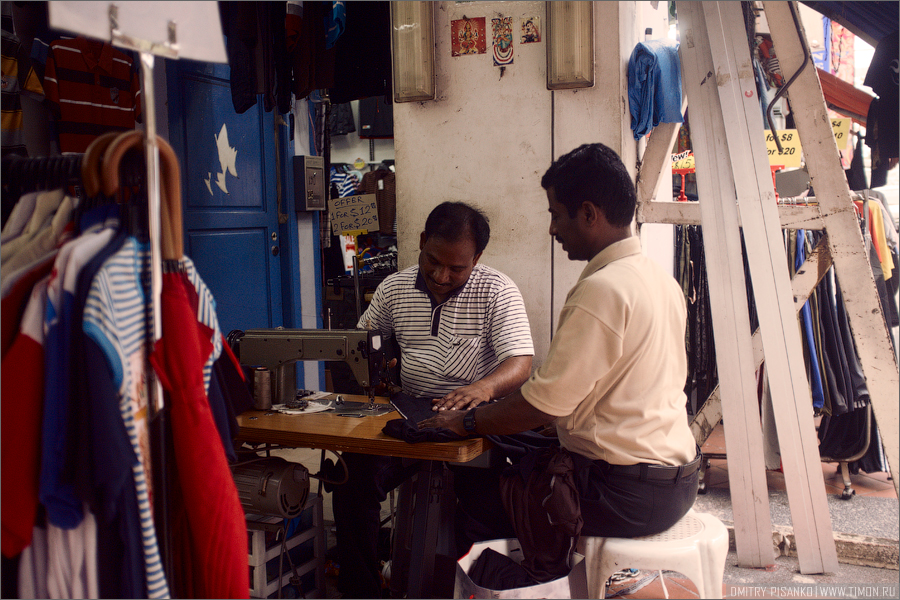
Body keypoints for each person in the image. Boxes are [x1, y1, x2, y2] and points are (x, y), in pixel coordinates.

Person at [421, 143, 700, 563]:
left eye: (555, 214)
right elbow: (617, 386)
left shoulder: (602, 290)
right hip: (675, 483)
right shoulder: (658, 279)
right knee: (524, 457)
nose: (552, 229)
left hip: (623, 495)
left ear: (588, 213)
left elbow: (542, 405)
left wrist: (467, 421)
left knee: (474, 495)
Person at [332, 201, 534, 598]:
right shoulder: (394, 288)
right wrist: (376, 364)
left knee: (488, 506)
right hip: (411, 415)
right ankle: (363, 591)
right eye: (433, 261)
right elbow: (361, 341)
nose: (442, 276)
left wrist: (484, 389)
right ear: (422, 243)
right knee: (352, 479)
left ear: (477, 258)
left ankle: (470, 588)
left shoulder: (496, 291)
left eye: (457, 268)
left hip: (473, 423)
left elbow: (521, 361)